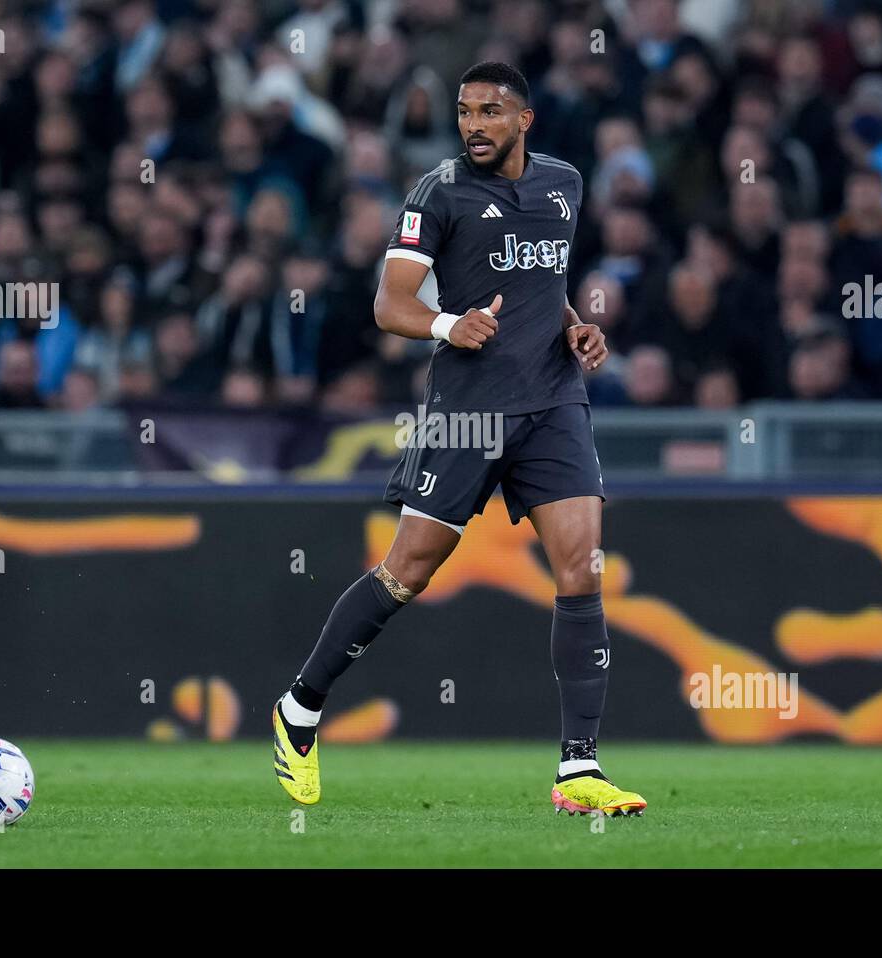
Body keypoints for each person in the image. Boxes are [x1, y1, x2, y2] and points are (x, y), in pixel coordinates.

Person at [271, 62, 646, 818]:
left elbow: (548, 285)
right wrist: (449, 324)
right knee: (408, 571)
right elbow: (389, 304)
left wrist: (575, 328)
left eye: (490, 111)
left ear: (524, 121)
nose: (473, 124)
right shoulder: (437, 192)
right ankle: (301, 707)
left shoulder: (564, 185)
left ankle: (579, 771)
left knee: (582, 568)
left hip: (553, 403)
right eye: (465, 110)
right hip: (468, 412)